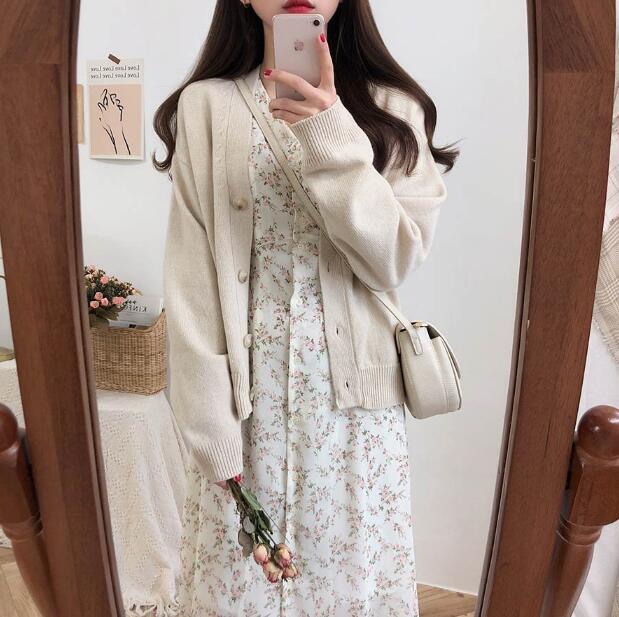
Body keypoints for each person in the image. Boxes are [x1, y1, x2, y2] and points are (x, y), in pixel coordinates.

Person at [153, 0, 459, 614]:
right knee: (237, 588)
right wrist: (211, 429)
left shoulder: (393, 109)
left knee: (346, 588)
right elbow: (190, 279)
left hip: (353, 415)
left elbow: (393, 261)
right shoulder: (206, 106)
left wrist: (331, 136)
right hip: (244, 408)